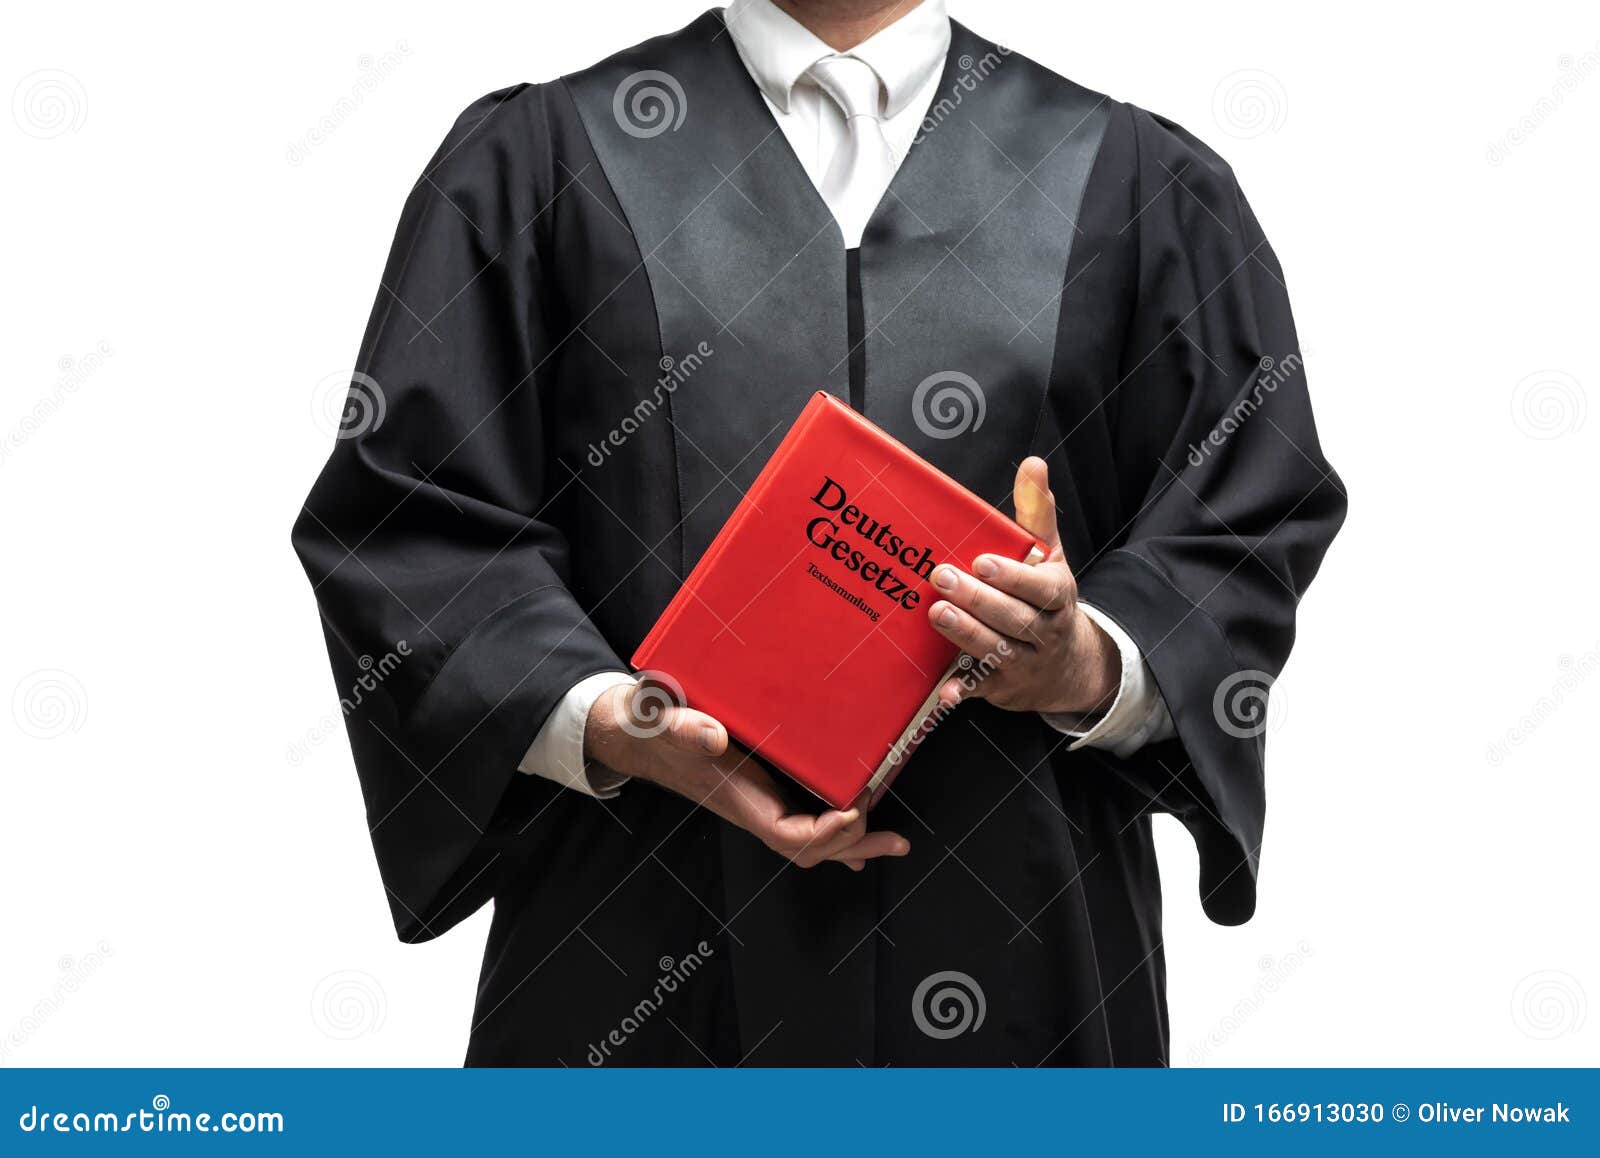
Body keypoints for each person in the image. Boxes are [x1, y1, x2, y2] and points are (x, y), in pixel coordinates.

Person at [292, 0, 1346, 1065]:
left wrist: (1089, 664)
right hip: (631, 949)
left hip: (1023, 950)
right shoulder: (537, 164)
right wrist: (607, 718)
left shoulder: (1140, 185)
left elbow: (1246, 518)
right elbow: (407, 520)